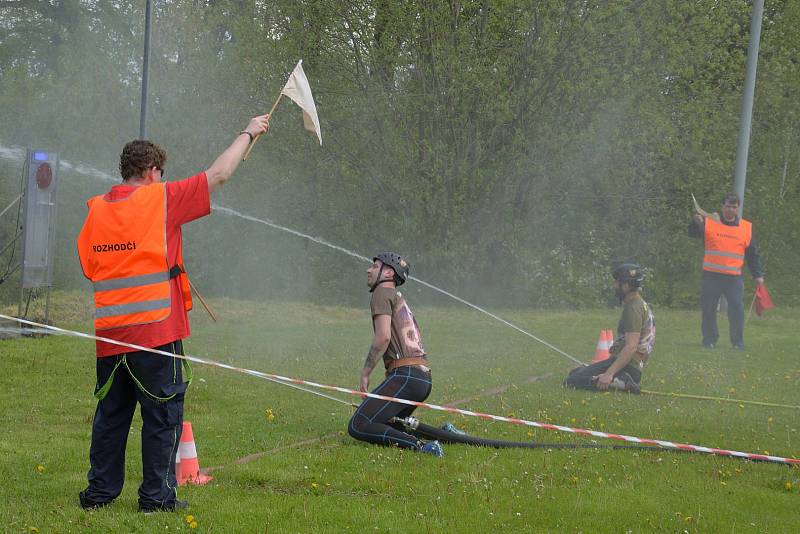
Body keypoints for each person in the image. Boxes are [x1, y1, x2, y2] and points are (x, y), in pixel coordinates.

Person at [76, 114, 270, 512]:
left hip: (111, 336)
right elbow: (220, 173)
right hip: (157, 334)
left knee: (111, 417)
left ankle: (99, 494)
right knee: (162, 416)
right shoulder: (160, 198)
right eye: (161, 174)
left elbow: (89, 266)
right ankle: (156, 497)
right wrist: (250, 131)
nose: (164, 180)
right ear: (151, 172)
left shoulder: (96, 211)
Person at [347, 253, 443, 457]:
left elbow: (383, 337)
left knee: (359, 424)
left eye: (374, 266)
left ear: (388, 272)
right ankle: (446, 433)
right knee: (388, 421)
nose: (368, 270)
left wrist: (365, 373)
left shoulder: (382, 292)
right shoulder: (397, 297)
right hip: (422, 378)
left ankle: (422, 447)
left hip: (407, 376)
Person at [689, 192, 764, 350]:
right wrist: (696, 222)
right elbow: (692, 233)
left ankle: (737, 342)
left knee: (736, 309)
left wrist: (758, 275)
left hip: (733, 278)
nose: (731, 209)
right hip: (711, 275)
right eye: (728, 206)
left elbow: (752, 254)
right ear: (722, 207)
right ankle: (709, 340)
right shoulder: (709, 222)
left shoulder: (746, 227)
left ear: (738, 208)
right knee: (709, 309)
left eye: (734, 207)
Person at [564, 264, 656, 394]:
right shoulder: (640, 304)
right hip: (631, 366)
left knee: (572, 380)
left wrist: (608, 374)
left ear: (626, 286)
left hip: (628, 367)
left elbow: (631, 347)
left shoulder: (633, 309)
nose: (614, 285)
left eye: (616, 282)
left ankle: (621, 381)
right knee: (576, 372)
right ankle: (619, 380)